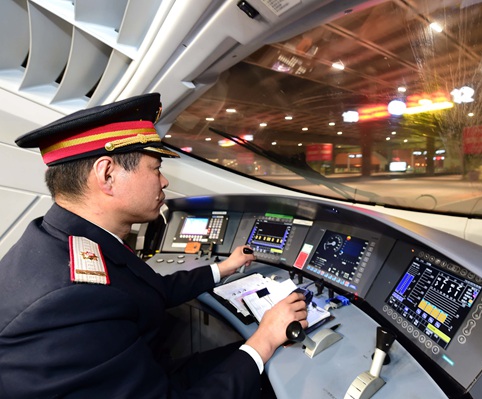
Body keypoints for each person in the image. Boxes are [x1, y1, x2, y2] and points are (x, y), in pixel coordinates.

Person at [0, 93, 308, 398]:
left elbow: (147, 290)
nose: (163, 182)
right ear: (107, 175)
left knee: (255, 356)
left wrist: (222, 269)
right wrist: (265, 339)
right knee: (273, 364)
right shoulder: (72, 296)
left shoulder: (62, 238)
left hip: (143, 375)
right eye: (155, 168)